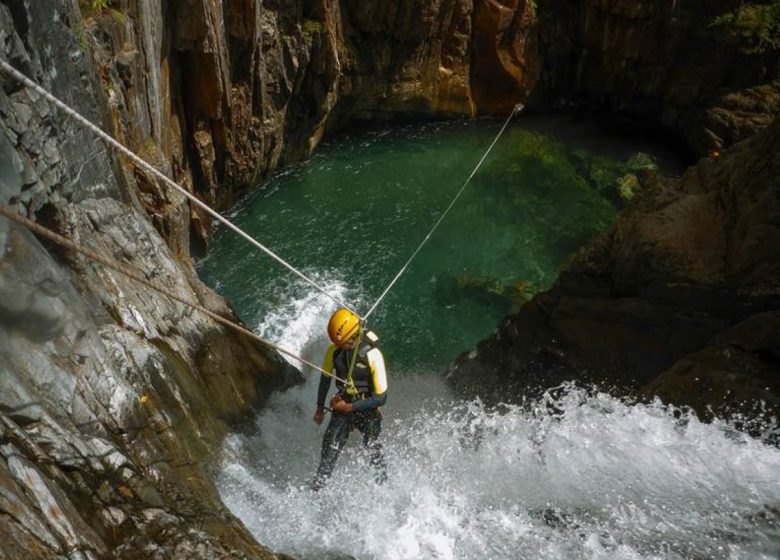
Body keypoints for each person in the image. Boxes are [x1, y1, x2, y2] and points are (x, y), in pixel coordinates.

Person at [312, 308, 388, 489]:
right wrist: (320, 407)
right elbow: (325, 379)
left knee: (372, 449)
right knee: (329, 447)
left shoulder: (372, 354)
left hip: (367, 407)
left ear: (352, 336)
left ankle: (383, 485)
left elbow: (382, 398)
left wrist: (350, 407)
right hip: (343, 404)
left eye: (343, 343)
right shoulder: (334, 351)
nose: (340, 346)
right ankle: (318, 488)